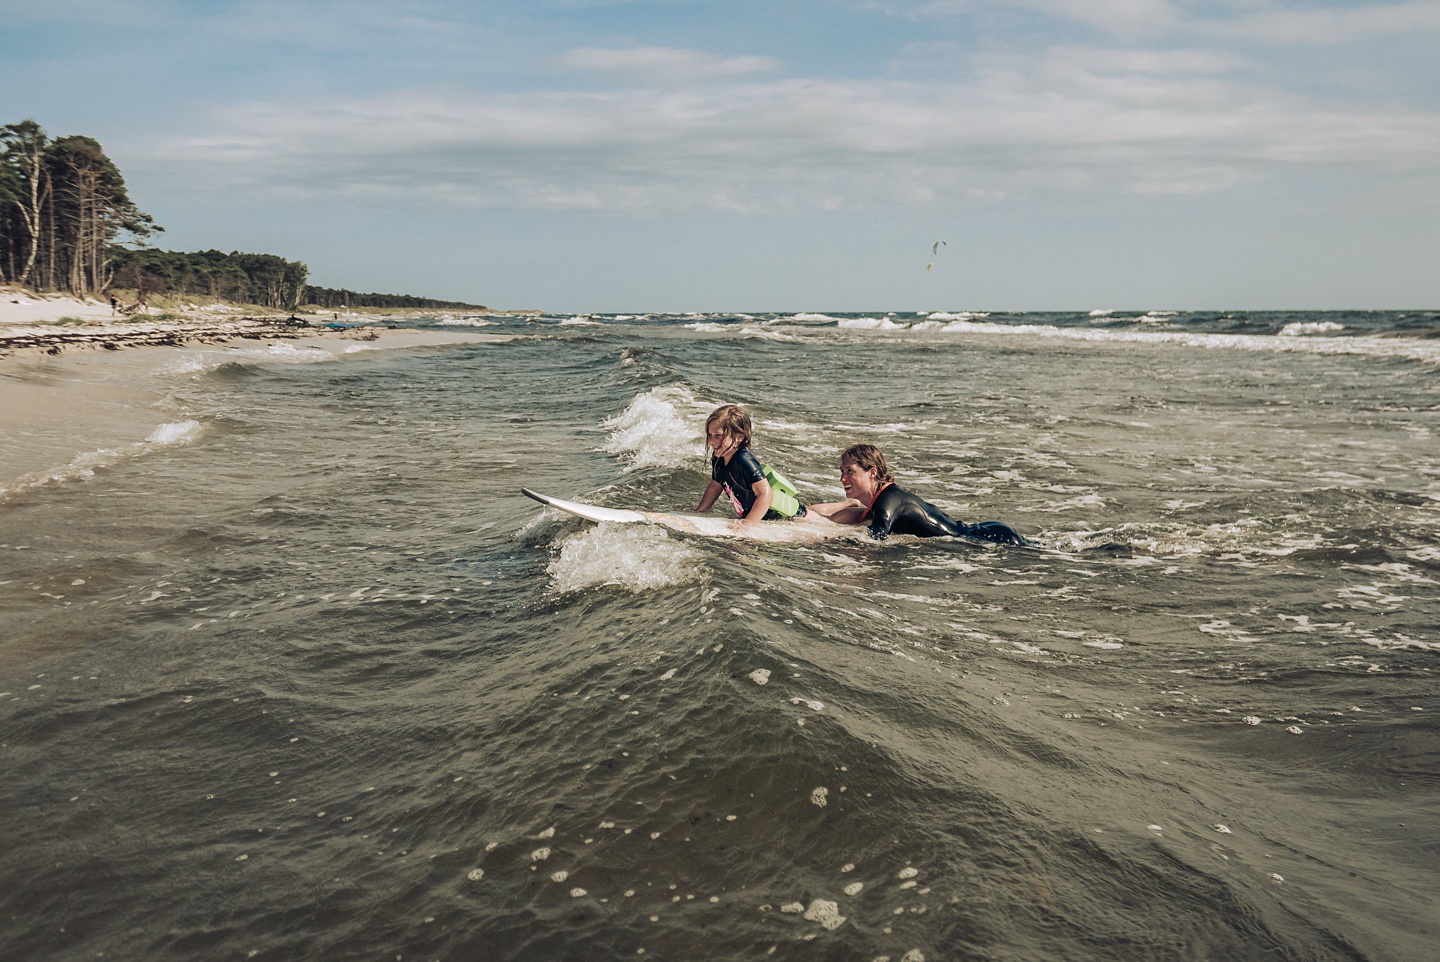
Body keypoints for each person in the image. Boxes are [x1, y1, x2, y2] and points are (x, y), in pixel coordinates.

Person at [809, 442, 1028, 545]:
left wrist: (835, 542)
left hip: (993, 539)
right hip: (986, 534)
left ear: (872, 472)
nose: (842, 479)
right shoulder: (879, 502)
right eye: (841, 472)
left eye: (850, 472)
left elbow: (875, 537)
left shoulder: (889, 500)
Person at [695, 404, 806, 527]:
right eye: (710, 435)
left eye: (718, 436)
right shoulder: (719, 457)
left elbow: (765, 493)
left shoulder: (743, 459)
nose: (711, 441)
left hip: (784, 517)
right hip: (761, 517)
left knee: (814, 516)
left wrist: (747, 524)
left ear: (739, 437)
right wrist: (699, 512)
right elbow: (715, 487)